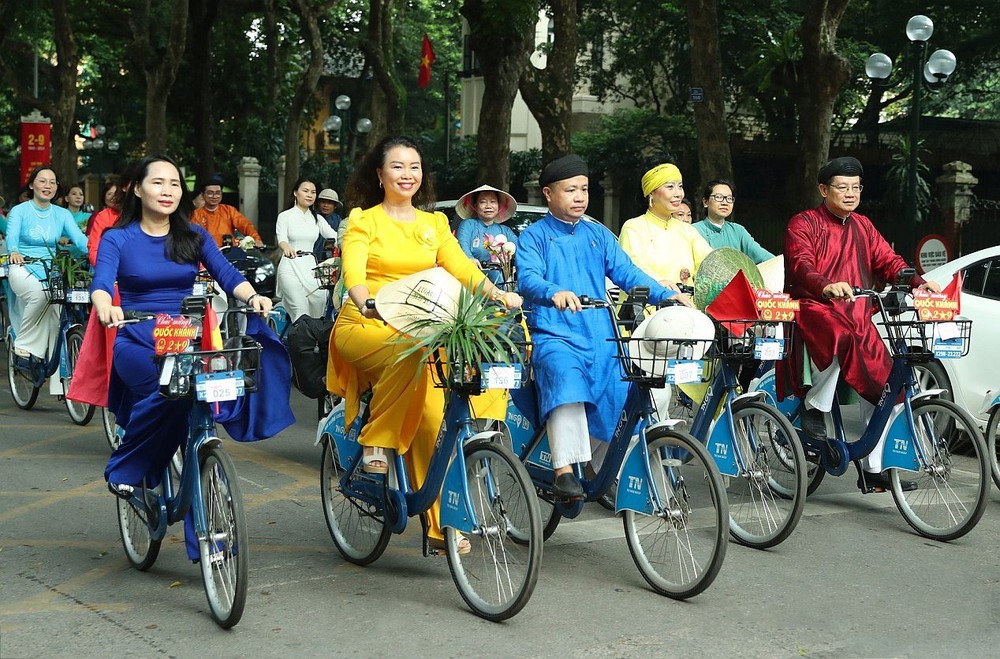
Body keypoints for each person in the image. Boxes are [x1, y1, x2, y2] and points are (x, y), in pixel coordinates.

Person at [326, 135, 521, 552]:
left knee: (437, 418)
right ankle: (376, 439)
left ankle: (444, 525)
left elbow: (462, 268)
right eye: (397, 166)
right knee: (411, 356)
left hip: (421, 328)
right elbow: (354, 272)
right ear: (380, 175)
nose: (407, 174)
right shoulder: (364, 220)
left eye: (414, 167)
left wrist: (497, 294)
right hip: (367, 323)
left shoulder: (434, 225)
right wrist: (365, 301)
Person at [91, 155, 292, 558]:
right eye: (158, 183)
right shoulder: (119, 236)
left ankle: (206, 528)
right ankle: (126, 466)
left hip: (185, 339)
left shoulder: (195, 235)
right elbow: (101, 281)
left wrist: (253, 296)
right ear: (137, 188)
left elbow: (228, 275)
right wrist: (103, 306)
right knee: (173, 394)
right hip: (137, 338)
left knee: (196, 409)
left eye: (175, 184)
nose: (167, 191)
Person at [516, 154, 692, 498]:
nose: (580, 196)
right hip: (555, 333)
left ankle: (613, 469)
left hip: (601, 334)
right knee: (565, 380)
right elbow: (528, 280)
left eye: (583, 189)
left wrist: (665, 294)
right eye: (570, 190)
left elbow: (627, 273)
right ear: (549, 194)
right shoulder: (534, 237)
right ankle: (564, 469)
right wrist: (554, 293)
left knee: (622, 392)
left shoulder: (598, 234)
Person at [783, 156, 941, 492]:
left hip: (858, 314)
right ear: (824, 189)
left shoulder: (864, 226)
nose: (850, 193)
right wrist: (824, 284)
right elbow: (799, 263)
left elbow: (888, 260)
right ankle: (814, 404)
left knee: (885, 386)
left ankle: (873, 468)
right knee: (839, 335)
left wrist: (917, 282)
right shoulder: (804, 223)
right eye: (842, 187)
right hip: (816, 308)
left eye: (856, 187)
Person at [5, 165, 88, 365]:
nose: (48, 186)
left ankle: (61, 379)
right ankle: (23, 344)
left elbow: (79, 239)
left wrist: (100, 254)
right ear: (32, 185)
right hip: (22, 265)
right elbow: (11, 237)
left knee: (57, 316)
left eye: (52, 182)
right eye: (42, 181)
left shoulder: (62, 214)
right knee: (41, 294)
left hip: (52, 269)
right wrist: (14, 251)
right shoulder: (19, 211)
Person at [618, 163, 712, 291]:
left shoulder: (688, 230)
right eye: (670, 187)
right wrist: (660, 286)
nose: (678, 193)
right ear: (651, 193)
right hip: (648, 308)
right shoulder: (633, 228)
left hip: (685, 307)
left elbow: (711, 265)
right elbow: (633, 269)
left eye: (680, 186)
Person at [275, 176, 337, 322]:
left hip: (310, 268)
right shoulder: (285, 216)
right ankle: (300, 343)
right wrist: (286, 247)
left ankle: (310, 339)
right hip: (290, 265)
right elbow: (281, 238)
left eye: (313, 192)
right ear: (296, 192)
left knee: (320, 302)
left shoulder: (317, 219)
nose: (310, 195)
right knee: (300, 308)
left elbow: (335, 237)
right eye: (305, 191)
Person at [694, 179, 773, 264]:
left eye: (729, 198)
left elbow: (763, 256)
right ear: (705, 202)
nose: (725, 202)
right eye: (719, 197)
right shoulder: (693, 230)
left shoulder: (738, 231)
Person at [455, 184, 518, 287]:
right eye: (483, 202)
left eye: (493, 202)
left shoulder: (505, 231)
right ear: (475, 206)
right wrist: (470, 259)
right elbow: (463, 245)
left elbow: (521, 249)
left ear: (498, 206)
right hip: (473, 282)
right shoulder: (468, 225)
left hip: (501, 285)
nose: (488, 206)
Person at [190, 176, 263, 247]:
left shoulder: (229, 210)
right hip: (206, 253)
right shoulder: (196, 214)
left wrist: (256, 239)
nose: (214, 196)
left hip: (229, 251)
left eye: (218, 193)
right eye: (210, 193)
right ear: (203, 195)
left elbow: (245, 225)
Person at [313, 188, 342, 259]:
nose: (325, 205)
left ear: (335, 206)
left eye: (329, 203)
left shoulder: (339, 221)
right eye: (323, 202)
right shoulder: (312, 218)